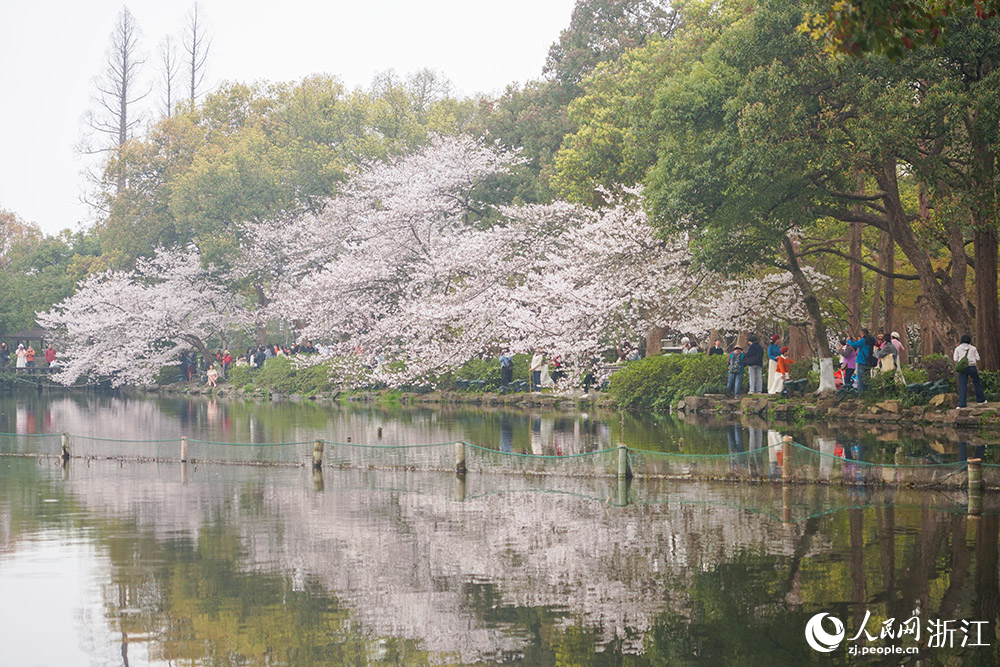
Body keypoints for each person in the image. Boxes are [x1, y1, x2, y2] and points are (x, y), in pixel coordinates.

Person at [954, 334, 987, 408]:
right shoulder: (973, 348)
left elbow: (955, 359)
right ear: (969, 341)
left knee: (962, 385)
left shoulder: (958, 349)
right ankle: (981, 400)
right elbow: (978, 358)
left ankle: (962, 404)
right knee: (977, 383)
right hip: (972, 367)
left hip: (963, 369)